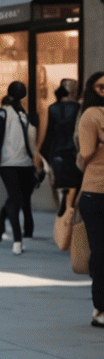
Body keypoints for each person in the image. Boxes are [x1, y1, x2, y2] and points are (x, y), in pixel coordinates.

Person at [0, 81, 43, 252]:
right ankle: (17, 240)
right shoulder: (11, 114)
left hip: (19, 163)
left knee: (15, 198)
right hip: (12, 163)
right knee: (16, 199)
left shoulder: (18, 114)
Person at [72, 71, 104, 328]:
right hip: (96, 191)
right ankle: (100, 307)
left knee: (101, 252)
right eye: (102, 87)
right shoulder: (92, 115)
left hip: (97, 190)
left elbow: (86, 153)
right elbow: (86, 152)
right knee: (100, 252)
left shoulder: (92, 116)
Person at [42, 81, 82, 218]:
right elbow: (78, 134)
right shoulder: (77, 108)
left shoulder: (52, 108)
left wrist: (43, 155)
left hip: (56, 153)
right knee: (74, 186)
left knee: (58, 185)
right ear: (73, 91)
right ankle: (69, 211)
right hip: (72, 153)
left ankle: (61, 208)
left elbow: (49, 134)